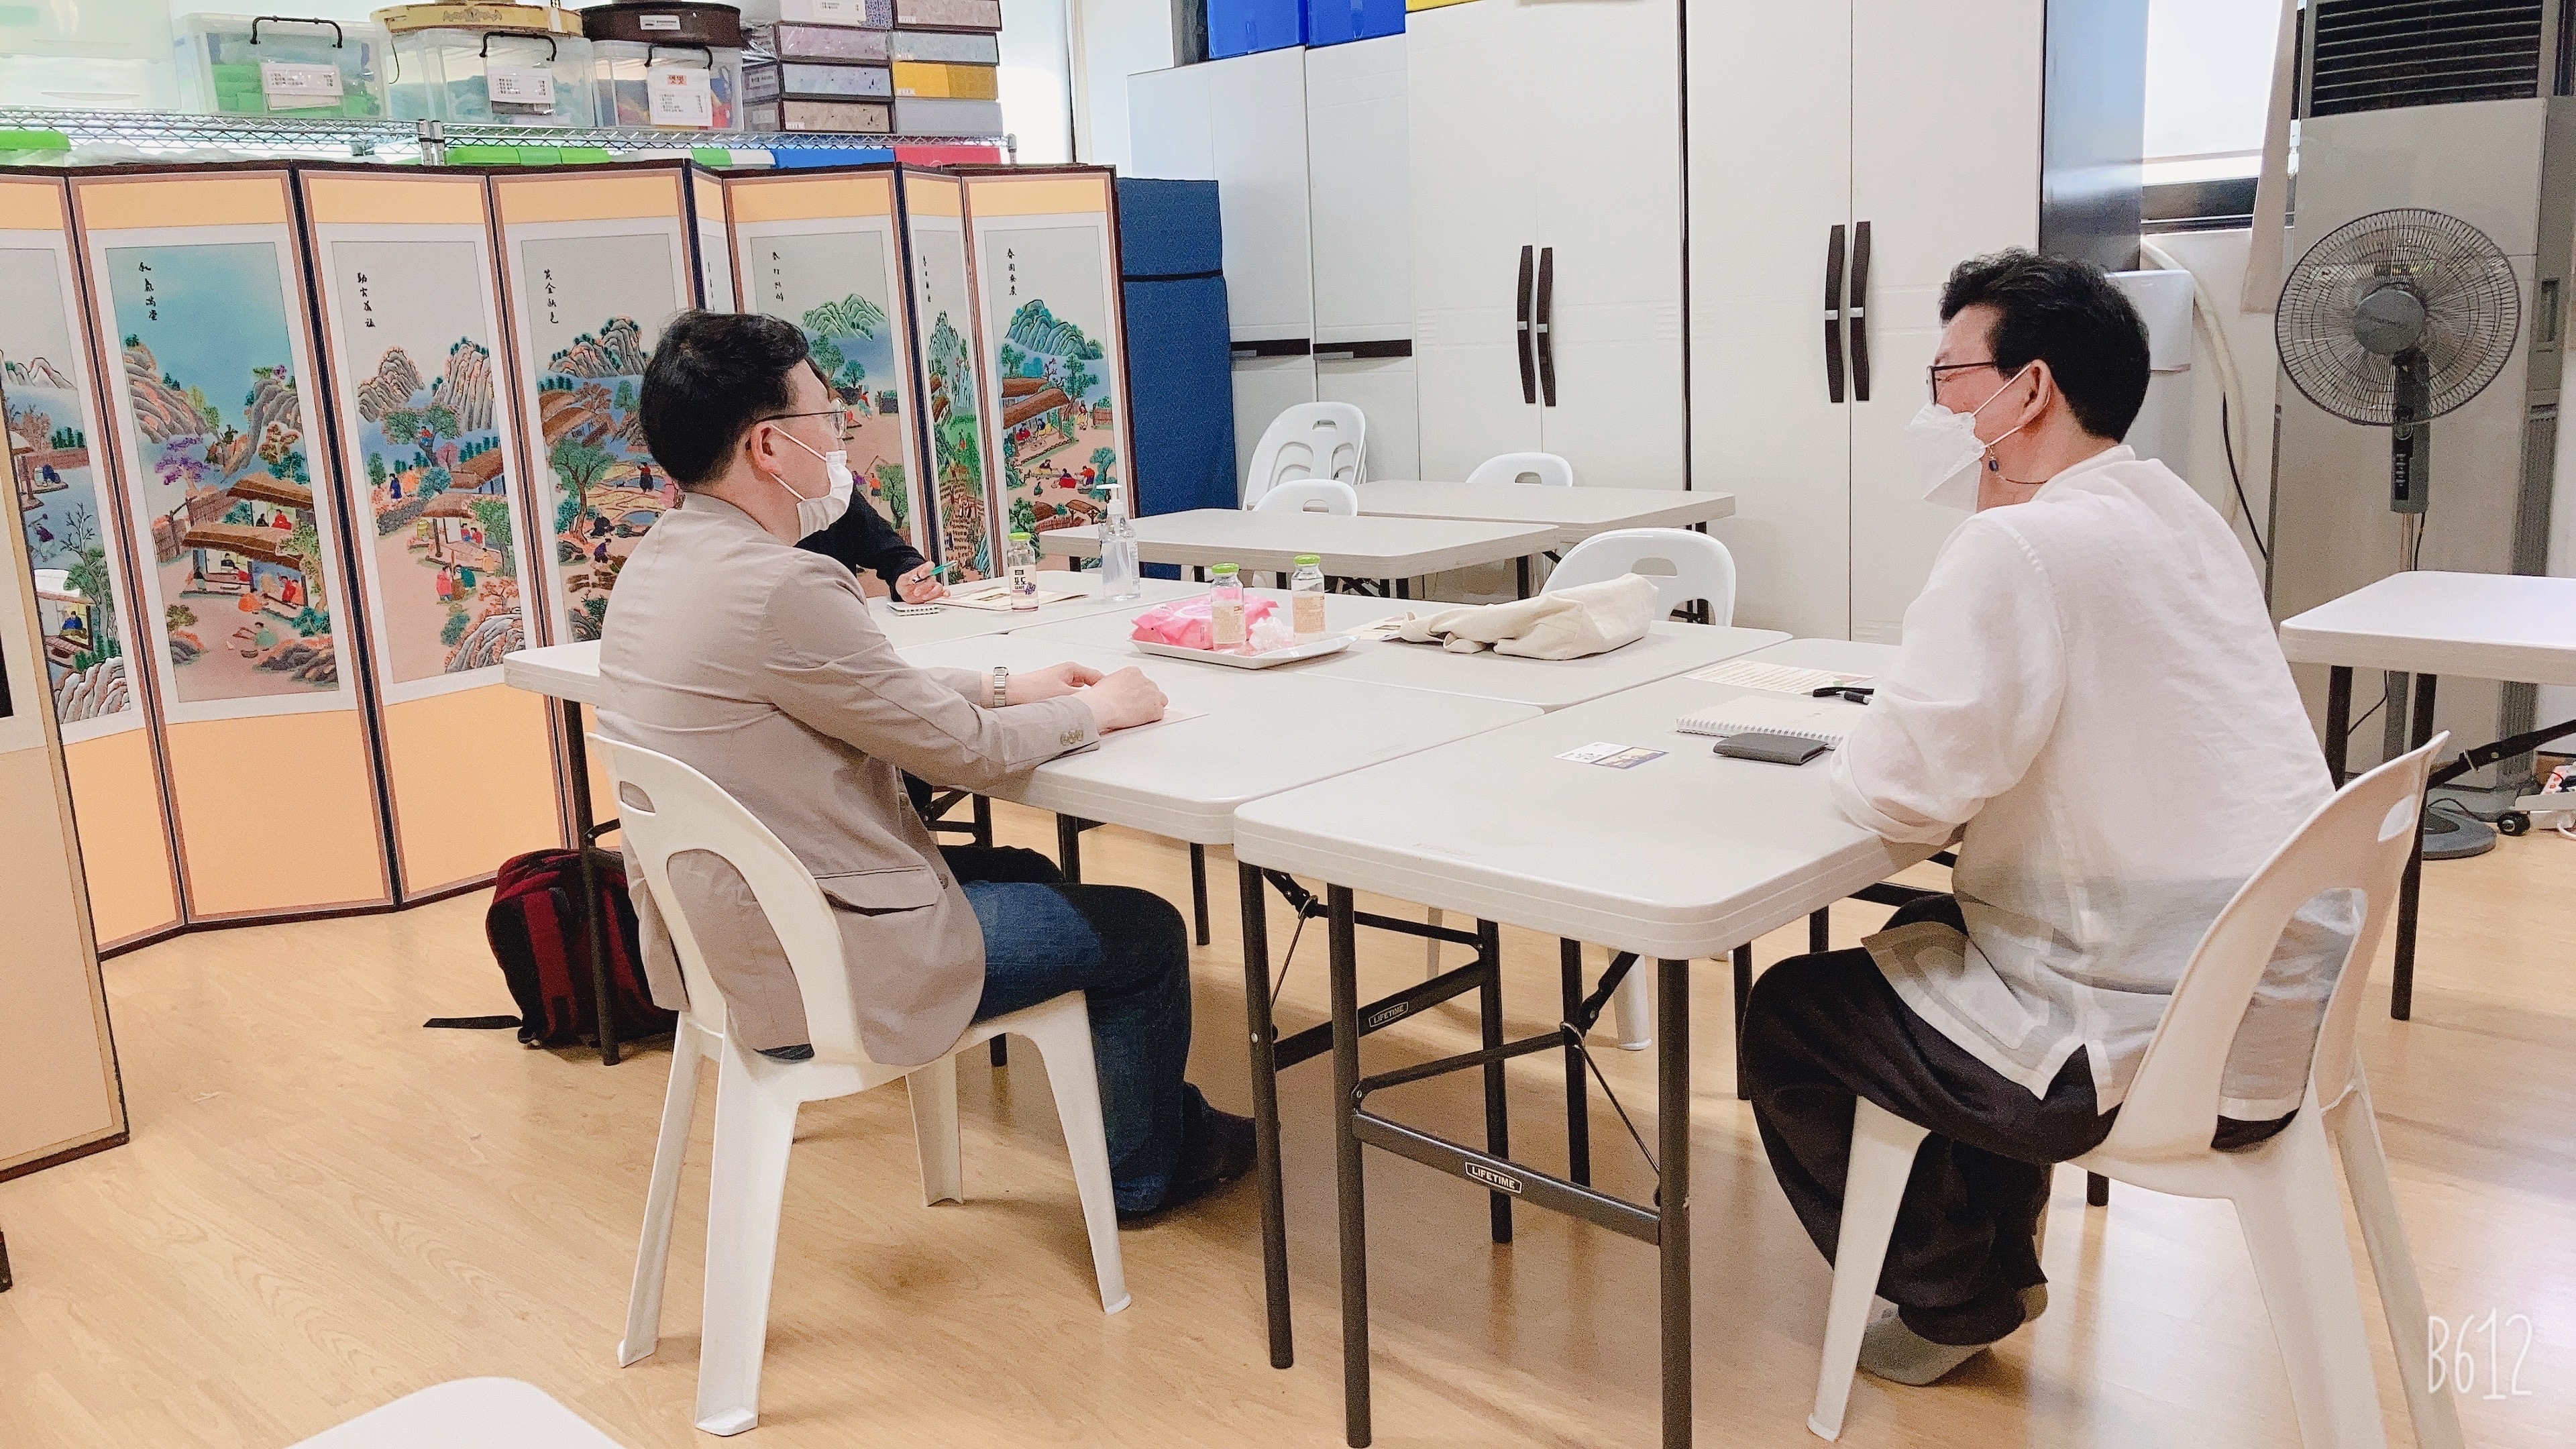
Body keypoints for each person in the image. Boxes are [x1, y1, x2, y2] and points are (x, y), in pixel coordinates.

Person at [1739, 250, 2355, 1385]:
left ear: (2027, 389)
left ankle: (1953, 1297)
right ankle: (1992, 1266)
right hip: (2273, 1009)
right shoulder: (2183, 518)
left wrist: (1881, 720)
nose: (1933, 410)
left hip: (2150, 1043)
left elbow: (1900, 792)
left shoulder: (2022, 543)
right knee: (1939, 942)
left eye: (1947, 379)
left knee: (1793, 1012)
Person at [598, 311, 1255, 1220]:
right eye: (826, 418)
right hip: (818, 958)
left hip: (720, 947)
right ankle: (1147, 1172)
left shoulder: (662, 563)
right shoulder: (785, 584)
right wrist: (1095, 710)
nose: (841, 439)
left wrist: (1003, 683)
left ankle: (1135, 1126)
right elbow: (967, 754)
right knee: (1144, 930)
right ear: (768, 446)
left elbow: (858, 686)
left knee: (1026, 870)